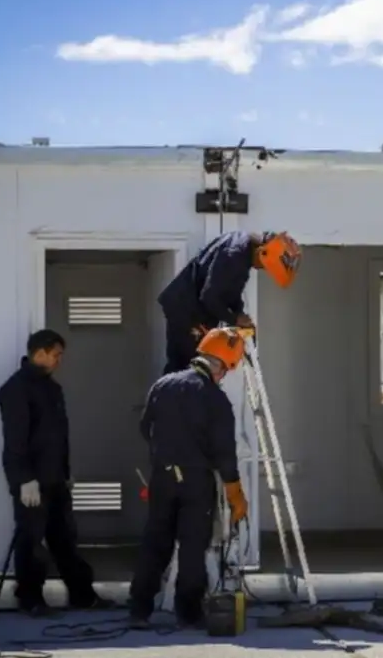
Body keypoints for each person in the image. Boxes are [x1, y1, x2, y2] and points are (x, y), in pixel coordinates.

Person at [128, 327, 251, 629]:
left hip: (162, 476)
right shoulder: (215, 399)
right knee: (193, 547)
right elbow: (224, 452)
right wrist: (235, 493)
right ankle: (189, 612)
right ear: (222, 366)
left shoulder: (163, 384)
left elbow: (145, 428)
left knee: (155, 542)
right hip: (195, 481)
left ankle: (139, 610)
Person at [0, 329, 111, 617]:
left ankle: (82, 595)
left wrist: (65, 472)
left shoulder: (51, 389)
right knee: (31, 542)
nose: (59, 361)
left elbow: (59, 437)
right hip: (32, 483)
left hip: (55, 479)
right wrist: (24, 480)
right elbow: (15, 440)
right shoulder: (16, 389)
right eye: (56, 355)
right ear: (40, 353)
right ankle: (31, 599)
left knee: (65, 540)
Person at [157, 231, 301, 374]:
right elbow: (209, 296)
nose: (261, 268)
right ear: (261, 252)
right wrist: (235, 319)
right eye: (264, 265)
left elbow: (232, 294)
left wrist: (240, 316)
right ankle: (172, 389)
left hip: (192, 308)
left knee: (195, 370)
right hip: (185, 309)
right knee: (185, 368)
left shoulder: (242, 250)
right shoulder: (233, 255)